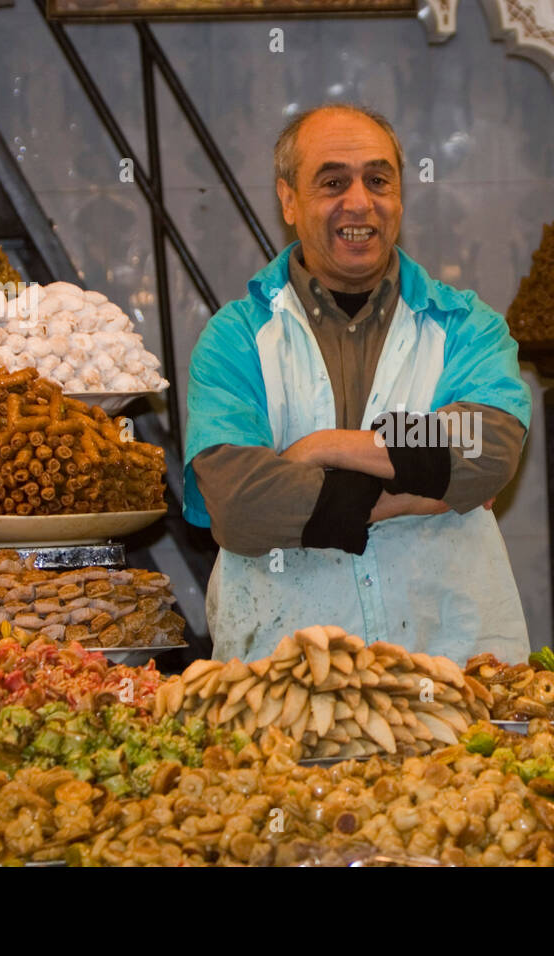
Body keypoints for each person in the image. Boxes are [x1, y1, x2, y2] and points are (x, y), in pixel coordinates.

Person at [183, 103, 531, 664]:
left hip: (452, 668)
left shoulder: (466, 324)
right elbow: (239, 501)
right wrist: (429, 491)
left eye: (377, 180)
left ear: (399, 195)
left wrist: (324, 448)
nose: (360, 202)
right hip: (284, 675)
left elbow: (485, 448)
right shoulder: (236, 337)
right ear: (288, 200)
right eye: (332, 182)